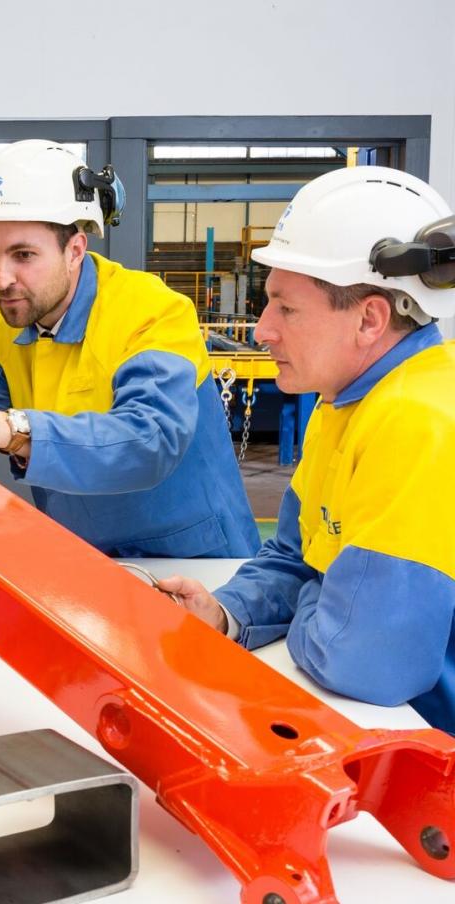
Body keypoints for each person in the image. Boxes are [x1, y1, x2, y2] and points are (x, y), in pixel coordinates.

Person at [157, 165, 455, 735]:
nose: (262, 329)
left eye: (285, 308)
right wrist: (225, 614)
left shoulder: (418, 422)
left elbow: (365, 664)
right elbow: (296, 557)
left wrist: (312, 602)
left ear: (370, 318)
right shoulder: (344, 400)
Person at [0, 140, 259, 559]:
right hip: (84, 557)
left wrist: (12, 429)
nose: (1, 279)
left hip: (195, 561)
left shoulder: (153, 311)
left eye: (23, 255)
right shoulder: (8, 318)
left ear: (75, 250)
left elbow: (150, 441)